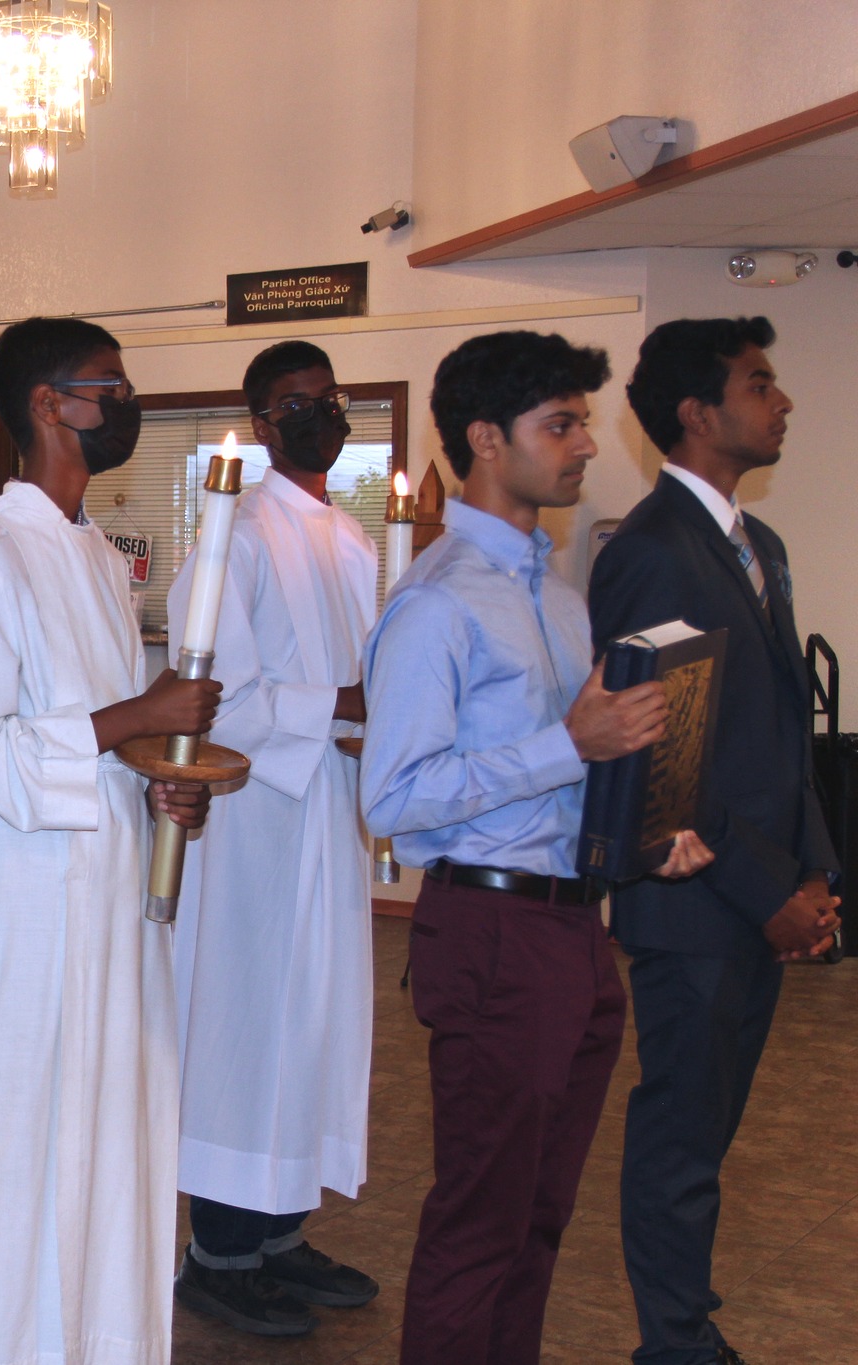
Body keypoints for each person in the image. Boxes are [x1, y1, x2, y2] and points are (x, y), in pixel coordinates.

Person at [362, 331, 712, 1365]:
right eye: (558, 425)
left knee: (537, 1218)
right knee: (479, 1221)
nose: (584, 445)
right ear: (482, 438)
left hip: (571, 927)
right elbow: (395, 801)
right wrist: (565, 743)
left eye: (581, 422)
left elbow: (571, 777)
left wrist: (642, 840)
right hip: (489, 928)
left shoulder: (559, 595)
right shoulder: (434, 603)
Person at [0, 318, 219, 1365]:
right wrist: (137, 720)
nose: (124, 406)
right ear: (48, 404)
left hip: (104, 887)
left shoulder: (94, 553)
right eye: (111, 388)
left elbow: (92, 734)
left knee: (102, 1135)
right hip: (24, 899)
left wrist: (158, 790)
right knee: (20, 1142)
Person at [597, 316, 841, 1365]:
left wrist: (817, 871)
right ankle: (673, 1342)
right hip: (695, 898)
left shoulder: (756, 547)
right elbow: (664, 761)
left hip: (755, 890)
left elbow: (783, 728)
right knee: (678, 1139)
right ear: (697, 414)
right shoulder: (651, 552)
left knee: (710, 1130)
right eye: (757, 383)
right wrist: (763, 888)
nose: (778, 401)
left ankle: (685, 1324)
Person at [166, 340, 380, 1338]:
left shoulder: (346, 539)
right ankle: (217, 1252)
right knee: (243, 1031)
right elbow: (214, 698)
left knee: (309, 1025)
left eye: (326, 398)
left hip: (322, 821)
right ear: (259, 424)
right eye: (293, 403)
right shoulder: (233, 534)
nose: (315, 414)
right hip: (249, 826)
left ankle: (280, 1231)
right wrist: (335, 702)